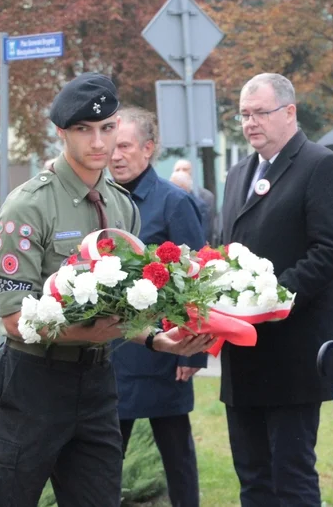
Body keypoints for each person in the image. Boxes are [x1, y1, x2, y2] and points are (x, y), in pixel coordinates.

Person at [0, 73, 215, 507]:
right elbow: (14, 321)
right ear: (62, 133)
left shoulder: (121, 206)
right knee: (2, 498)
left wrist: (157, 340)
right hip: (33, 383)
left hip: (99, 383)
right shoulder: (28, 206)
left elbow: (125, 312)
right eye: (84, 129)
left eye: (107, 128)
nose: (99, 142)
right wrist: (88, 334)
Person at [220, 73, 333, 506]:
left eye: (260, 112)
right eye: (244, 114)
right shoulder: (239, 172)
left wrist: (271, 298)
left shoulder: (321, 165)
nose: (250, 123)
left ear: (290, 112)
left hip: (290, 349)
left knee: (291, 475)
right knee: (252, 475)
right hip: (241, 351)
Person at [109, 106, 207, 507]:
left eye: (125, 146)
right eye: (111, 146)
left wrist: (193, 354)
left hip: (167, 352)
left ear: (147, 149)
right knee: (105, 454)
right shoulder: (103, 198)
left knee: (176, 452)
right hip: (114, 348)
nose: (115, 154)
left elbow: (196, 278)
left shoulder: (173, 202)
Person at [173, 159, 219, 246]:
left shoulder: (206, 197)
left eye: (185, 169)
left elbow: (208, 229)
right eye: (178, 170)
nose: (181, 172)